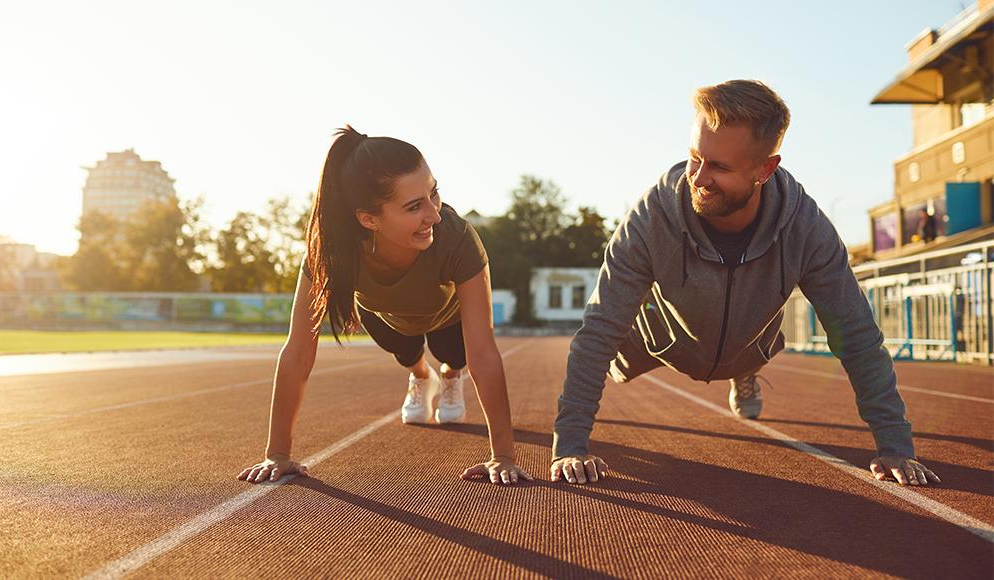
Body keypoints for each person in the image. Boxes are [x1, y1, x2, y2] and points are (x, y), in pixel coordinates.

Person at [550, 80, 940, 488]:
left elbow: (856, 334)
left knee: (752, 345)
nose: (699, 178)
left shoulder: (806, 230)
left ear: (765, 170)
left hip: (748, 344)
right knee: (608, 346)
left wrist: (895, 447)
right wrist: (571, 445)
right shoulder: (651, 218)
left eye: (719, 166)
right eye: (694, 157)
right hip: (657, 340)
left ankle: (743, 372)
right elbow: (598, 330)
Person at [238, 126, 532, 486]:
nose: (434, 215)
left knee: (451, 353)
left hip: (448, 320)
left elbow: (484, 351)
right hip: (386, 319)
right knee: (406, 350)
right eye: (414, 206)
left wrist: (502, 456)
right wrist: (277, 454)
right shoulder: (330, 252)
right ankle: (422, 376)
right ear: (368, 219)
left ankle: (450, 377)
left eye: (433, 193)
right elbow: (298, 349)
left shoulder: (456, 238)